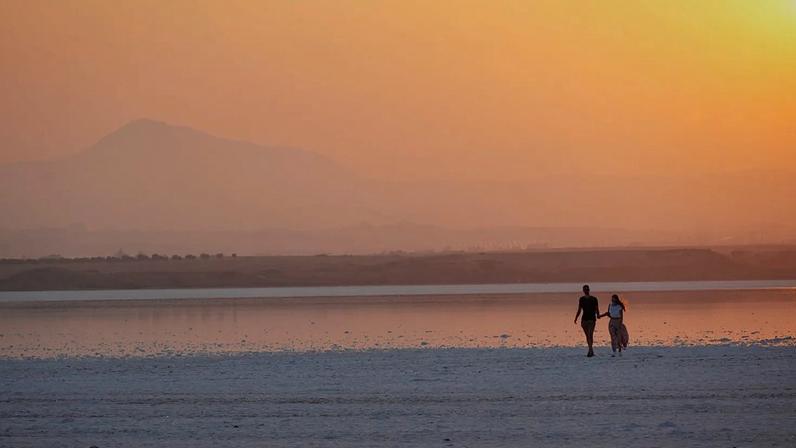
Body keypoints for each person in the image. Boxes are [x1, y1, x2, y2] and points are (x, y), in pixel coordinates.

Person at [574, 284, 600, 357]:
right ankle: (591, 350)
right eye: (585, 290)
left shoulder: (594, 299)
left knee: (590, 335)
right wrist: (576, 318)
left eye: (587, 289)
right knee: (588, 335)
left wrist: (598, 315)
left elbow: (597, 309)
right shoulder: (582, 299)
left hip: (591, 319)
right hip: (585, 319)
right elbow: (579, 309)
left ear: (588, 290)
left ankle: (590, 350)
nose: (586, 291)